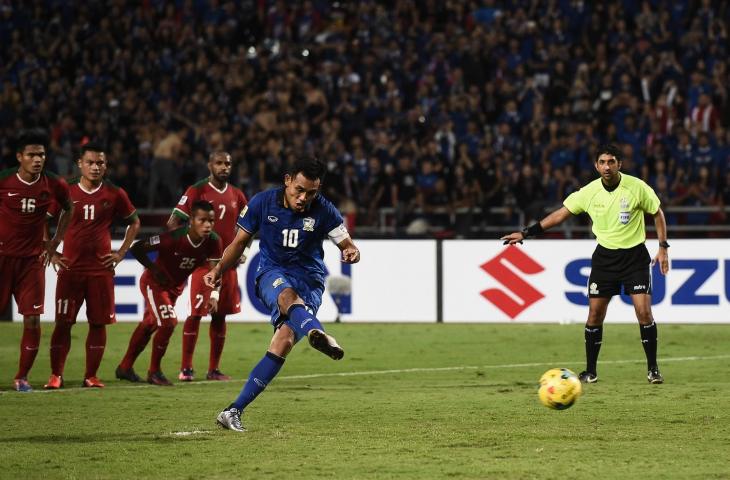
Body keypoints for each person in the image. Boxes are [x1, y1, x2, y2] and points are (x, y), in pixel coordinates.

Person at [205, 157, 360, 432]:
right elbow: (239, 243)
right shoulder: (262, 203)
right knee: (287, 295)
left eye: (311, 193)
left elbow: (345, 242)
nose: (303, 198)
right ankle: (318, 331)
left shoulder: (324, 210)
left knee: (283, 341)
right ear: (287, 180)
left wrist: (351, 251)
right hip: (272, 274)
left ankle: (232, 411)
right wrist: (218, 270)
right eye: (299, 190)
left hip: (310, 282)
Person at [502, 144, 669, 384]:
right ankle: (590, 371)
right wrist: (526, 232)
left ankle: (653, 369)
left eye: (611, 162)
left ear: (619, 164)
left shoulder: (637, 187)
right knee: (594, 314)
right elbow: (560, 215)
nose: (607, 167)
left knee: (644, 312)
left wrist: (663, 248)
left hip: (635, 257)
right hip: (605, 259)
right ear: (596, 166)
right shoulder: (588, 192)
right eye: (602, 162)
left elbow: (657, 213)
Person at [45, 142, 140, 389]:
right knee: (63, 323)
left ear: (106, 165)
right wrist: (51, 252)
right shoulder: (66, 192)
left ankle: (91, 376)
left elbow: (135, 222)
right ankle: (56, 375)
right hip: (70, 270)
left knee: (98, 323)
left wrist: (121, 253)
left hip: (100, 271)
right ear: (80, 164)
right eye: (90, 162)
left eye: (100, 163)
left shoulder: (115, 193)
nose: (95, 167)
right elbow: (42, 220)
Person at [115, 201, 223, 386]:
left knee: (150, 324)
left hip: (174, 287)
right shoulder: (173, 238)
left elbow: (215, 272)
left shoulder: (214, 241)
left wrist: (214, 294)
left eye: (211, 221)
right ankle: (154, 371)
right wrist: (154, 269)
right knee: (168, 322)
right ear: (191, 221)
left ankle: (125, 367)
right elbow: (138, 248)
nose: (207, 225)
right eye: (202, 220)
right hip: (154, 283)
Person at [0, 129, 75, 392]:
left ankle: (21, 377)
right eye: (31, 155)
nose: (37, 159)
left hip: (32, 262)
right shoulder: (4, 180)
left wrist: (55, 242)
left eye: (41, 155)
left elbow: (69, 208)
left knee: (32, 319)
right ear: (19, 157)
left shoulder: (55, 184)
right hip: (2, 258)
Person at [166, 151, 248, 382]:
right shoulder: (197, 190)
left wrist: (245, 250)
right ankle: (186, 368)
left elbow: (250, 226)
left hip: (228, 265)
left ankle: (214, 370)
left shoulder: (237, 195)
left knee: (220, 316)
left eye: (228, 164)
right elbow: (173, 222)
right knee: (195, 314)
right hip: (203, 266)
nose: (224, 167)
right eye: (219, 163)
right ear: (210, 165)